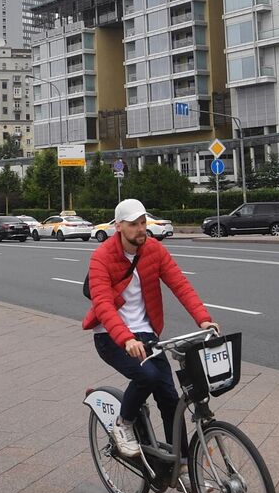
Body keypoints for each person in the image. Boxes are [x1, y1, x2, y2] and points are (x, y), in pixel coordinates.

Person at [83, 197, 215, 459]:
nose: (141, 229)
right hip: (111, 336)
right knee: (148, 377)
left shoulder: (154, 250)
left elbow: (180, 285)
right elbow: (103, 305)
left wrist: (203, 319)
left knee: (170, 399)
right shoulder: (102, 257)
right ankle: (124, 423)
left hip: (147, 335)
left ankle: (182, 462)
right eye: (134, 224)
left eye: (143, 223)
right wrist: (126, 339)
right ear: (119, 226)